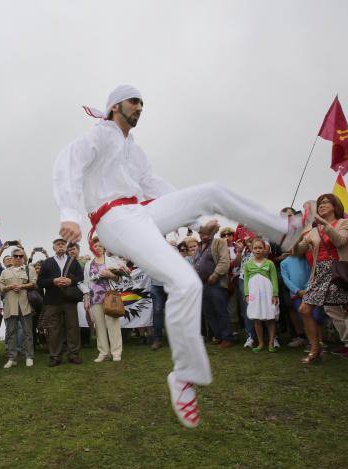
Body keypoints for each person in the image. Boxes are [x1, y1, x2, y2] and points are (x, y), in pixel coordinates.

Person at [52, 84, 302, 428]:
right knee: (186, 283)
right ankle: (184, 375)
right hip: (112, 219)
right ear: (114, 107)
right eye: (133, 101)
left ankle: (284, 232)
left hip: (141, 213)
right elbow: (68, 165)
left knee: (211, 191)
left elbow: (153, 183)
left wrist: (196, 219)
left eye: (142, 102)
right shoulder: (98, 135)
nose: (140, 107)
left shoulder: (131, 148)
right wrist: (69, 213)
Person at [295, 194, 348, 369]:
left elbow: (340, 240)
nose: (321, 205)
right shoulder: (312, 231)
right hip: (319, 272)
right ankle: (315, 349)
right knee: (304, 309)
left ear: (335, 206)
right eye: (319, 203)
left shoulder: (344, 223)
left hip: (339, 270)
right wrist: (295, 236)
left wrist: (322, 223)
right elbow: (298, 251)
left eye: (326, 202)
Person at [37, 238, 84, 366]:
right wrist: (53, 281)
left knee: (72, 328)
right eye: (58, 244)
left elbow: (81, 278)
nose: (61, 246)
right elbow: (40, 282)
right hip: (52, 301)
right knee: (54, 329)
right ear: (53, 248)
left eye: (63, 244)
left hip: (70, 300)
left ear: (66, 247)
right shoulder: (47, 262)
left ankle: (73, 354)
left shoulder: (73, 261)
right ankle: (55, 356)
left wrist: (71, 281)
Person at [83, 237, 126, 362]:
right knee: (99, 326)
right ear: (92, 248)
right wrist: (86, 298)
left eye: (100, 246)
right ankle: (103, 352)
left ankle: (116, 352)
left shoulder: (112, 261)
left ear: (104, 248)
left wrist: (110, 275)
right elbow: (86, 283)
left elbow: (119, 280)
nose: (98, 248)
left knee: (113, 324)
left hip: (109, 297)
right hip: (95, 298)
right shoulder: (88, 264)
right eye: (95, 246)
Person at [193, 220, 233, 348]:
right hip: (202, 284)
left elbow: (225, 261)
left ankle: (227, 338)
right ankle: (219, 336)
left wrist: (215, 274)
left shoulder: (219, 242)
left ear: (211, 233)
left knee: (220, 310)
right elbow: (196, 264)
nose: (204, 235)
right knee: (208, 311)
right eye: (202, 233)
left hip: (216, 283)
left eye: (206, 233)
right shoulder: (198, 246)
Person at [0, 247, 36, 367]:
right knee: (11, 332)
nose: (19, 258)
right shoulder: (5, 272)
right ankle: (12, 358)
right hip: (10, 305)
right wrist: (10, 287)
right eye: (16, 256)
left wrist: (22, 286)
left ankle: (29, 356)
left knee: (27, 332)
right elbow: (0, 287)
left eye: (21, 256)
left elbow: (35, 283)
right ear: (12, 258)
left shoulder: (29, 269)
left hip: (25, 304)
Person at [243, 237, 279, 352]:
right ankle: (261, 343)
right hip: (253, 293)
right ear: (252, 250)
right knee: (256, 317)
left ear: (265, 249)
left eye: (260, 248)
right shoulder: (248, 265)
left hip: (267, 292)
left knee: (270, 316)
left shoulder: (270, 264)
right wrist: (247, 294)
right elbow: (246, 281)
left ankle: (271, 343)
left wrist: (275, 294)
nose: (258, 250)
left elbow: (274, 280)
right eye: (255, 248)